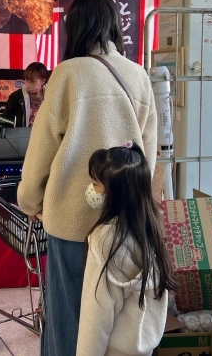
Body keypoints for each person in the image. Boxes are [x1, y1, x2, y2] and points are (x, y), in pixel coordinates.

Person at [17, 0, 158, 356]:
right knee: (115, 322)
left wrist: (30, 200)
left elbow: (41, 151)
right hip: (125, 220)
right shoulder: (138, 75)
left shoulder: (68, 74)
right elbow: (148, 157)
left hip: (71, 221)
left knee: (69, 318)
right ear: (113, 24)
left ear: (75, 28)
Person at [77, 142, 177, 356]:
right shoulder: (151, 233)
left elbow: (94, 318)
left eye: (95, 184)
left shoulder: (103, 242)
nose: (91, 190)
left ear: (115, 193)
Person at [1, 61, 49, 127]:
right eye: (26, 79)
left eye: (32, 81)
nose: (28, 84)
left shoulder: (51, 96)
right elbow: (6, 121)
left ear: (43, 81)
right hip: (23, 136)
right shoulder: (15, 97)